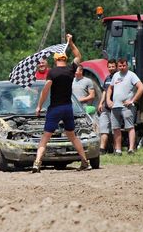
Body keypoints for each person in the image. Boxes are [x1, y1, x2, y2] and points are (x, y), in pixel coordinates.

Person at [32, 34, 91, 173]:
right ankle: (85, 161)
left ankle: (37, 162)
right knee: (72, 135)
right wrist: (70, 42)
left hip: (55, 108)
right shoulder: (71, 70)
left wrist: (39, 106)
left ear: (55, 59)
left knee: (46, 136)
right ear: (65, 58)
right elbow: (78, 55)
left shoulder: (52, 73)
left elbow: (45, 91)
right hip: (68, 108)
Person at [106, 58, 143, 156]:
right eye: (120, 66)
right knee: (116, 128)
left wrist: (133, 100)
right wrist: (108, 100)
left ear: (127, 66)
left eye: (124, 66)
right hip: (115, 106)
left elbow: (141, 87)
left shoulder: (131, 75)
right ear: (117, 66)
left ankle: (131, 149)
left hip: (127, 107)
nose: (122, 67)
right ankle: (118, 150)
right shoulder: (115, 75)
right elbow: (110, 88)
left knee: (130, 127)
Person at [97, 59, 117, 154]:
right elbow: (104, 91)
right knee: (104, 128)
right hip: (106, 107)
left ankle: (116, 149)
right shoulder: (107, 78)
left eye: (113, 66)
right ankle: (102, 149)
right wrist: (101, 103)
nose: (111, 68)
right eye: (109, 67)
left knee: (115, 129)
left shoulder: (119, 78)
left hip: (115, 106)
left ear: (116, 67)